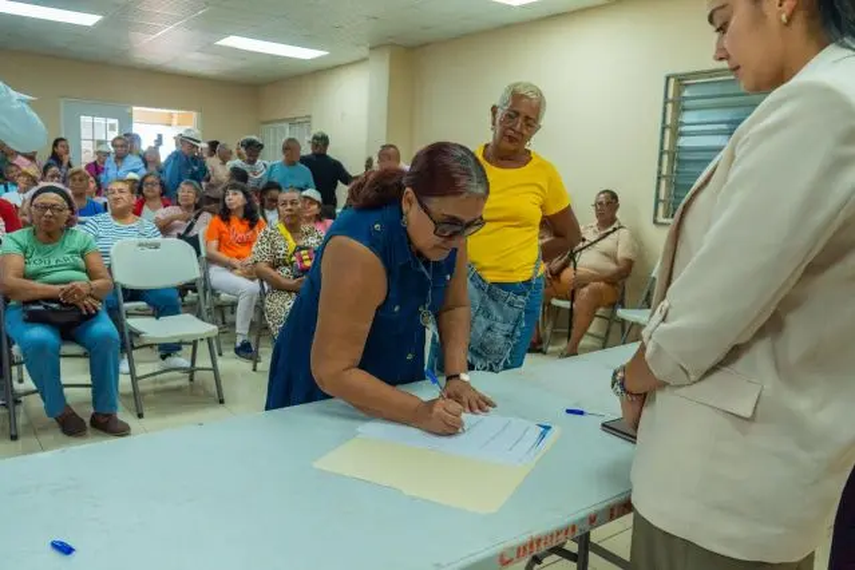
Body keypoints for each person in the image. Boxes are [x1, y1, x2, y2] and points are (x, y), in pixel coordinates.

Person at [612, 3, 855, 569]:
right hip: (779, 465)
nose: (718, 49)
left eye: (723, 23)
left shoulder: (821, 105)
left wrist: (632, 377)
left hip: (723, 486)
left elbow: (709, 311)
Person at [265, 142, 495, 433]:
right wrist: (418, 412)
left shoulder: (450, 232)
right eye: (449, 225)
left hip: (393, 380)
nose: (458, 240)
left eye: (470, 226)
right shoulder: (358, 247)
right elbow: (333, 370)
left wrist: (457, 376)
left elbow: (454, 305)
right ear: (409, 201)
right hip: (324, 395)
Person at [461, 81, 581, 372]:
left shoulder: (544, 173)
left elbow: (570, 235)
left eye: (529, 122)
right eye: (511, 115)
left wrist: (529, 253)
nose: (517, 127)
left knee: (498, 383)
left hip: (517, 290)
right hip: (461, 286)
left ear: (535, 131)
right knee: (448, 375)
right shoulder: (465, 164)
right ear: (494, 114)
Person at [0, 185, 130, 437]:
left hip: (81, 307)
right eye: (41, 207)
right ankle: (60, 410)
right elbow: (9, 285)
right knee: (40, 342)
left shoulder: (80, 239)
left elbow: (105, 283)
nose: (47, 214)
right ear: (30, 210)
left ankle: (105, 413)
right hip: (30, 309)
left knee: (106, 337)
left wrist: (87, 286)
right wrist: (62, 291)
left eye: (56, 208)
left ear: (68, 213)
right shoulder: (15, 240)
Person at [81, 180, 191, 375]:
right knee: (109, 301)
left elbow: (158, 257)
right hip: (109, 279)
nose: (115, 195)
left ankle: (169, 354)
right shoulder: (95, 223)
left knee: (167, 297)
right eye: (111, 192)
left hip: (143, 280)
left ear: (133, 199)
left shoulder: (147, 227)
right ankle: (120, 352)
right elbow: (83, 253)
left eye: (121, 191)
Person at [536, 189, 637, 356]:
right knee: (535, 284)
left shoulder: (623, 234)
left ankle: (571, 349)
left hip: (603, 284)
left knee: (588, 292)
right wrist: (547, 266)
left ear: (616, 206)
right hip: (571, 279)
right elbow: (564, 252)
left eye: (606, 203)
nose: (601, 208)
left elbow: (624, 271)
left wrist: (591, 277)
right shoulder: (583, 229)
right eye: (598, 204)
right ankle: (535, 340)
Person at [204, 182, 266, 360]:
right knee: (251, 289)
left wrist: (252, 261)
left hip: (251, 268)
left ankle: (282, 333)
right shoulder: (218, 221)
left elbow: (266, 247)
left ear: (246, 198)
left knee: (280, 282)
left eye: (235, 194)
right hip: (221, 269)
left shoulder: (257, 221)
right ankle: (241, 341)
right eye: (227, 195)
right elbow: (211, 252)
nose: (229, 198)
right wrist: (234, 263)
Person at [251, 188, 324, 339]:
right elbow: (261, 268)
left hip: (316, 290)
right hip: (282, 293)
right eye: (283, 204)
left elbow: (329, 263)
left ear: (303, 207)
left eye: (293, 203)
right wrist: (290, 284)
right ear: (278, 209)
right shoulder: (269, 234)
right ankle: (292, 359)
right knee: (295, 316)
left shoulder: (316, 234)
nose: (289, 207)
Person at [300, 131, 352, 214]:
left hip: (308, 206)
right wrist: (366, 175)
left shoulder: (302, 161)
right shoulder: (335, 164)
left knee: (306, 227)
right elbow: (349, 181)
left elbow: (349, 181)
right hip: (326, 207)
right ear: (327, 146)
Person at [161, 128, 207, 200]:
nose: (195, 150)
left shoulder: (194, 159)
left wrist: (201, 163)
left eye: (197, 147)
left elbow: (200, 179)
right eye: (192, 146)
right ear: (182, 142)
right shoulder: (175, 159)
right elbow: (171, 187)